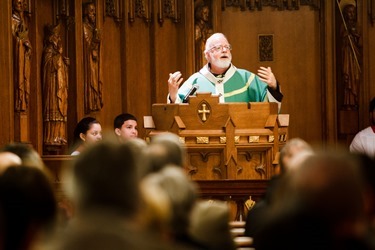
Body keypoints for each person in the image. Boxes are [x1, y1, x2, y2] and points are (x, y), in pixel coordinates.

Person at [167, 33, 283, 108]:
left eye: (227, 47)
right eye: (217, 48)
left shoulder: (248, 79)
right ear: (207, 55)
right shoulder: (195, 82)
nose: (224, 50)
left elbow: (270, 111)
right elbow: (179, 114)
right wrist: (173, 96)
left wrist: (273, 87)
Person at [42, 23, 69, 145]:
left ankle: (60, 135)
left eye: (58, 36)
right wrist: (58, 56)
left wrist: (65, 64)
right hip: (52, 87)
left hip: (61, 85)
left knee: (61, 109)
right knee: (53, 109)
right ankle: (51, 136)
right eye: (55, 36)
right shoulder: (48, 50)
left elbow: (61, 68)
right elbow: (48, 66)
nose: (57, 39)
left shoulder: (58, 52)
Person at [340, 0, 361, 109]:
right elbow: (342, 41)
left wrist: (354, 35)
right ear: (345, 14)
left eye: (353, 12)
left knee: (356, 78)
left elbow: (360, 40)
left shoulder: (357, 25)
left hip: (355, 56)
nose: (351, 15)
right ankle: (348, 102)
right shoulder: (343, 26)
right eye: (349, 12)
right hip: (347, 56)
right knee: (348, 78)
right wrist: (346, 36)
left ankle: (355, 100)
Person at [83, 2, 103, 113]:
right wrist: (94, 42)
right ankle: (90, 101)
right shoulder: (84, 28)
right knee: (91, 80)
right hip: (87, 63)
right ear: (85, 12)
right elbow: (87, 46)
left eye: (95, 13)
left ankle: (95, 100)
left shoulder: (92, 28)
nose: (93, 15)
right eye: (91, 12)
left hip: (93, 62)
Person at [12, 0, 32, 112]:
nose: (21, 6)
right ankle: (19, 102)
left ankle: (23, 101)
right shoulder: (12, 20)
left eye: (22, 3)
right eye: (18, 3)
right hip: (16, 60)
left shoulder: (23, 20)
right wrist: (20, 41)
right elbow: (11, 40)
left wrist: (28, 46)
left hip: (24, 58)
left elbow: (26, 38)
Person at [194, 3, 213, 71]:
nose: (207, 15)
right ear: (200, 14)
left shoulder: (207, 27)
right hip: (200, 53)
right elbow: (196, 42)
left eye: (208, 13)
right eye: (205, 13)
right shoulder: (197, 27)